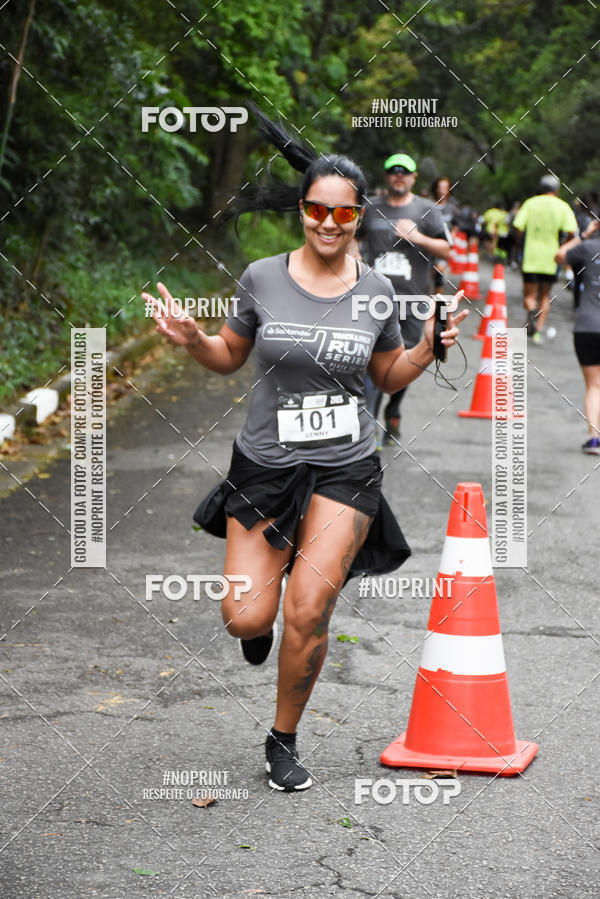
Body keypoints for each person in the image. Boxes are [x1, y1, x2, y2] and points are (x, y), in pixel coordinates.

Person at [141, 112, 467, 793]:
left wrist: (429, 349)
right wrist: (193, 340)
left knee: (310, 606)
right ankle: (258, 612)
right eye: (316, 208)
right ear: (301, 210)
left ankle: (282, 737)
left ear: (357, 217)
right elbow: (228, 355)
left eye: (341, 213)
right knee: (247, 614)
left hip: (345, 466)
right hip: (265, 463)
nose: (327, 221)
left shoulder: (376, 289)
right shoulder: (261, 277)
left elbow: (386, 375)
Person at [359, 153, 451, 444]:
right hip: (373, 301)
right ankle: (367, 427)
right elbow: (350, 236)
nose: (398, 175)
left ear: (413, 178)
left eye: (405, 171)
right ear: (386, 176)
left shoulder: (427, 210)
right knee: (369, 362)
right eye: (393, 171)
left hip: (412, 301)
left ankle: (394, 409)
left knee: (407, 359)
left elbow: (447, 249)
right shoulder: (370, 207)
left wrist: (418, 238)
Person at [513, 175, 577, 345]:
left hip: (531, 256)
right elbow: (572, 232)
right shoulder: (563, 206)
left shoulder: (530, 203)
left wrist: (519, 242)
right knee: (545, 295)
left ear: (541, 188)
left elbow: (518, 226)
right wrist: (564, 246)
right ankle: (538, 330)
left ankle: (530, 314)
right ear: (556, 190)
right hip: (552, 258)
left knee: (530, 295)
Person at [555, 219, 600, 454]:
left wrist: (583, 235)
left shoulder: (588, 247)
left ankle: (594, 439)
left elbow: (559, 256)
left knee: (594, 385)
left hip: (588, 326)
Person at [431, 176, 459, 294]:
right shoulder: (428, 206)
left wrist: (453, 235)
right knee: (430, 272)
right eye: (440, 187)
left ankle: (438, 302)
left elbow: (456, 225)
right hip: (429, 243)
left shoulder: (452, 208)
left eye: (445, 187)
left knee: (439, 271)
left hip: (444, 245)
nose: (442, 190)